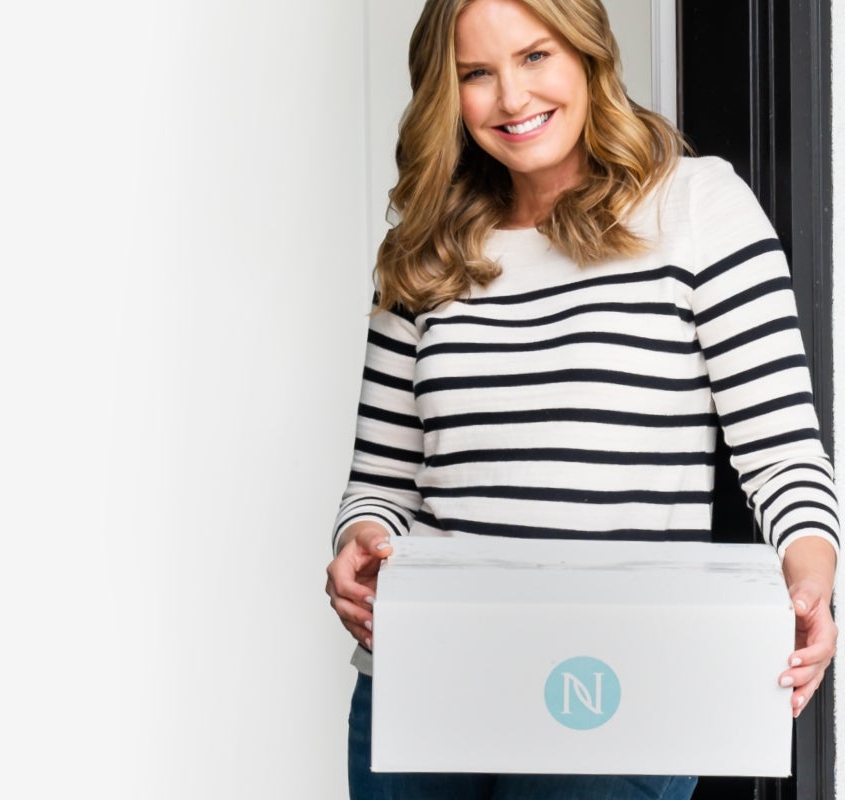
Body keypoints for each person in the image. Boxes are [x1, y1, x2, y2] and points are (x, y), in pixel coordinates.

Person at [325, 0, 839, 797]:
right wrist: (360, 540)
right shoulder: (422, 246)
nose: (513, 98)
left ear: (588, 52)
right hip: (428, 672)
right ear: (445, 92)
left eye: (536, 56)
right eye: (477, 74)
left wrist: (811, 575)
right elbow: (384, 482)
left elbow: (781, 457)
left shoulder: (697, 205)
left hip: (617, 680)